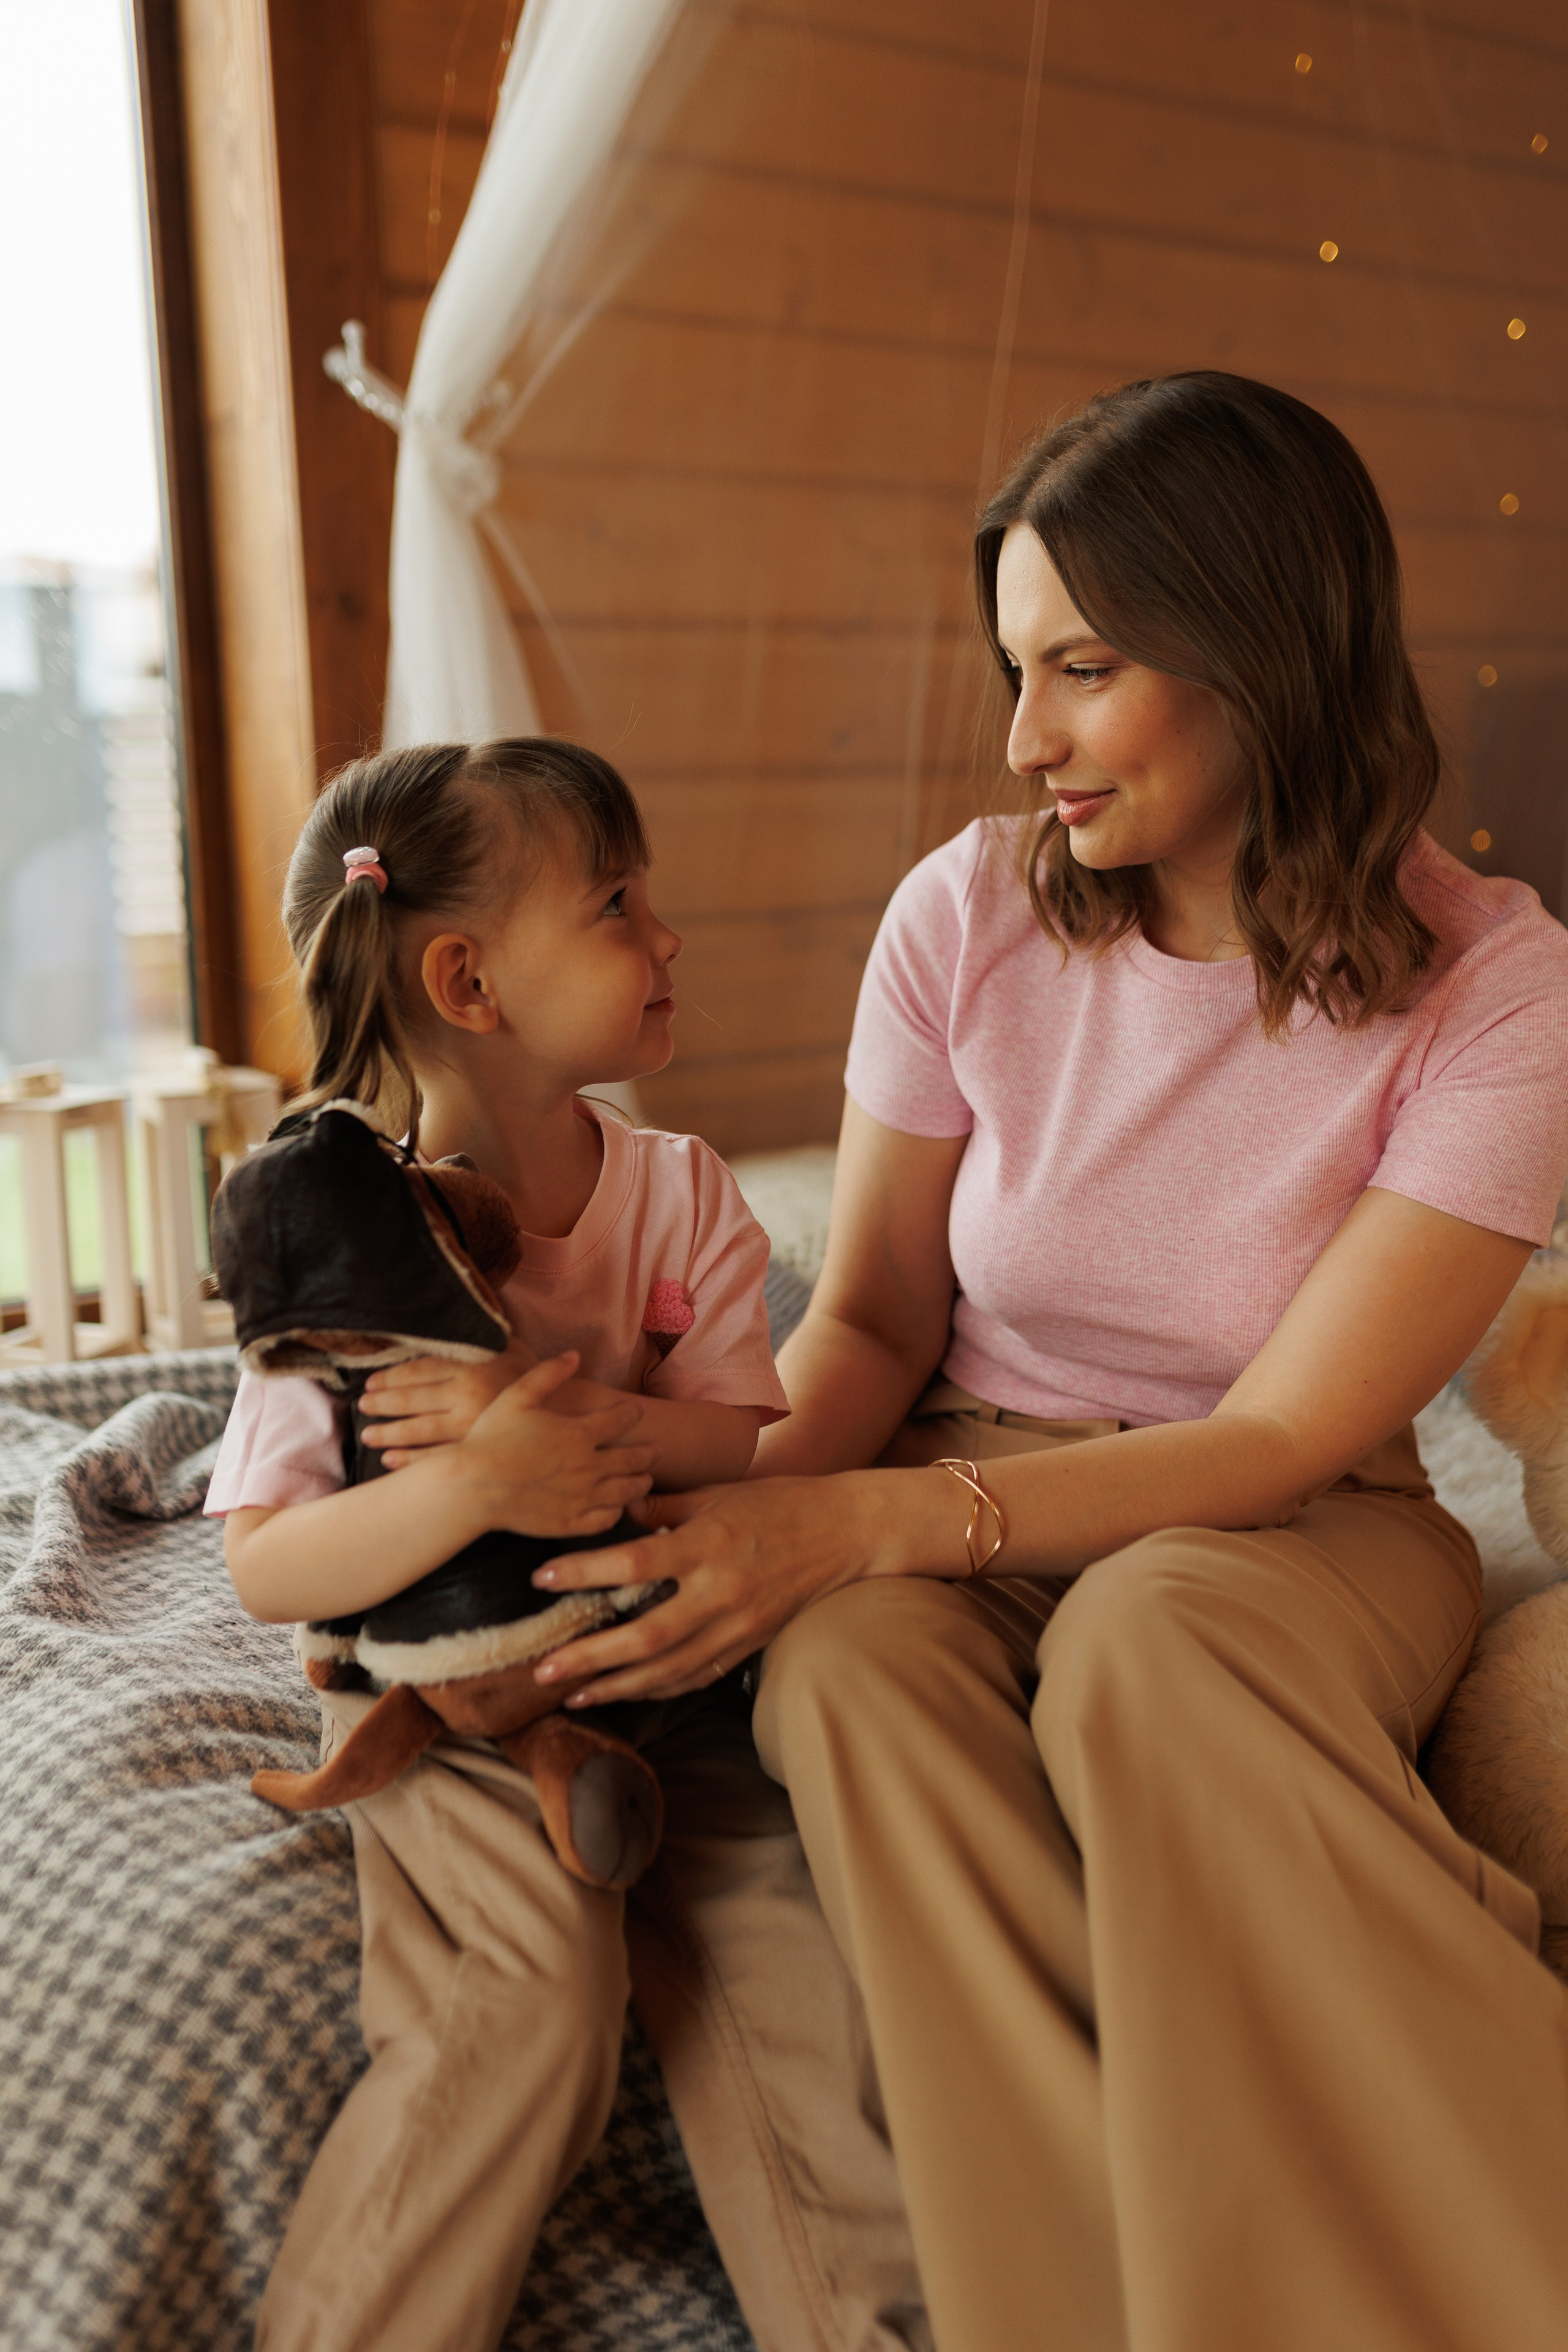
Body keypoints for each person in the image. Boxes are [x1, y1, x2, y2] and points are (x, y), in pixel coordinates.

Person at [520, 375, 1568, 2352]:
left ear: (1268, 643)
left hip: (1295, 1517)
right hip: (951, 1452)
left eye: (1081, 667)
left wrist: (873, 1520)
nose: (1026, 742)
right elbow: (880, 1319)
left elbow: (1279, 1433)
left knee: (1148, 1649)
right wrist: (724, 1508)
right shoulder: (965, 914)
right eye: (1015, 670)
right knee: (844, 1672)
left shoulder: (1503, 989)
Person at [205, 739, 926, 2352]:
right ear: (467, 979)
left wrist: (555, 1436)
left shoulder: (682, 1194)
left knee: (802, 1993)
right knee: (528, 2000)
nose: (667, 939)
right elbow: (266, 1565)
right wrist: (472, 1488)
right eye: (619, 906)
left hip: (663, 1666)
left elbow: (736, 1430)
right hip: (453, 1709)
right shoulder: (348, 1236)